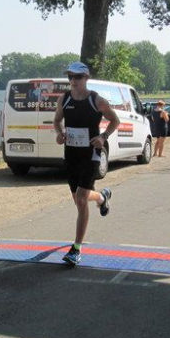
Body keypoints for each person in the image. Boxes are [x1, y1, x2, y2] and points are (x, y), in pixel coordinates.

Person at [53, 62, 120, 266]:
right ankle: (102, 197)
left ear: (86, 78)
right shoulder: (64, 99)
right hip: (71, 153)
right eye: (70, 77)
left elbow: (114, 120)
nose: (73, 81)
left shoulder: (96, 100)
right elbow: (57, 121)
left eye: (77, 77)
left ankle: (76, 248)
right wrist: (59, 134)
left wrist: (103, 136)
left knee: (81, 199)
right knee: (77, 198)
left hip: (91, 152)